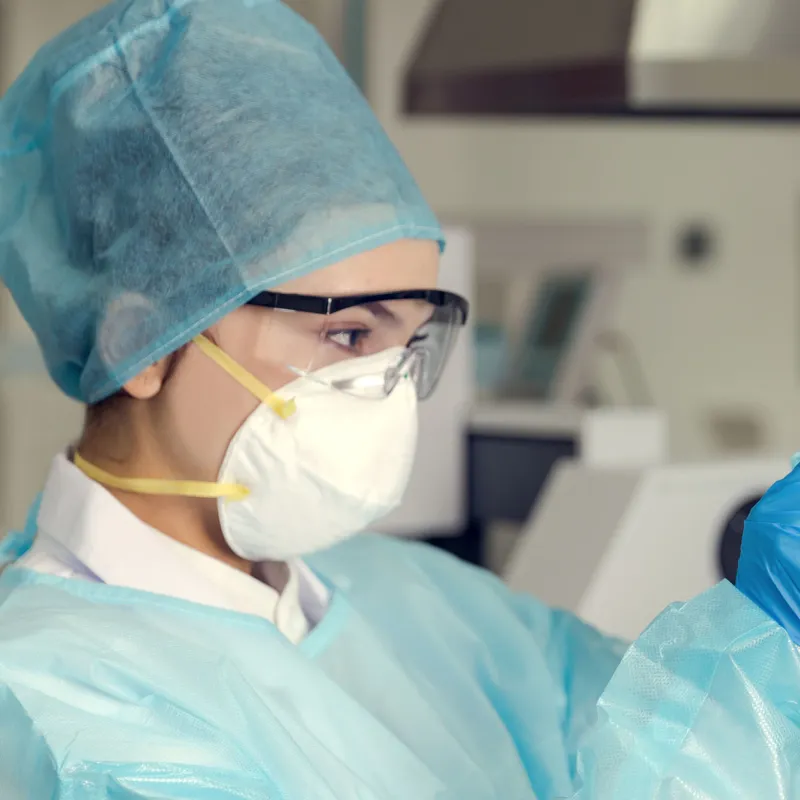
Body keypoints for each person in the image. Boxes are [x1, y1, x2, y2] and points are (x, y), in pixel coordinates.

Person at [1, 2, 800, 797]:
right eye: (349, 336)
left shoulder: (411, 602)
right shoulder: (63, 712)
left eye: (412, 342)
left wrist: (772, 652)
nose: (389, 395)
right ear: (137, 340)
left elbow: (649, 744)